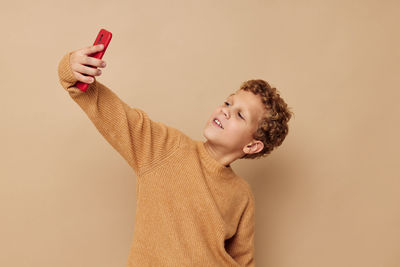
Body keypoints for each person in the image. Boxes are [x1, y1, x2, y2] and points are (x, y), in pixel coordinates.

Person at [57, 44, 293, 267]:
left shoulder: (242, 195)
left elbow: (243, 261)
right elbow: (116, 116)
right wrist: (73, 71)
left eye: (240, 115)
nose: (225, 111)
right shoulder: (165, 147)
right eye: (228, 103)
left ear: (252, 146)